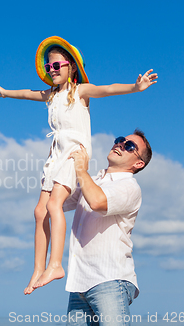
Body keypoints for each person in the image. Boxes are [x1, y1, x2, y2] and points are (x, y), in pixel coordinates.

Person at [0, 36, 157, 295]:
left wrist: (135, 88)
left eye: (57, 65)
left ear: (71, 67)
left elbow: (109, 89)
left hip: (74, 153)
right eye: (49, 67)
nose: (53, 70)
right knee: (39, 212)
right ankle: (38, 268)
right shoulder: (51, 95)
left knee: (53, 204)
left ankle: (56, 265)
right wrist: (6, 93)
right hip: (55, 155)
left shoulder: (78, 91)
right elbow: (27, 93)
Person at [64, 129, 152, 326]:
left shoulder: (129, 187)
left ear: (138, 163)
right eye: (120, 140)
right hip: (79, 283)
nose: (120, 145)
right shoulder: (93, 180)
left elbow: (97, 201)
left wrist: (80, 169)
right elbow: (59, 202)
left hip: (110, 279)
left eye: (129, 146)